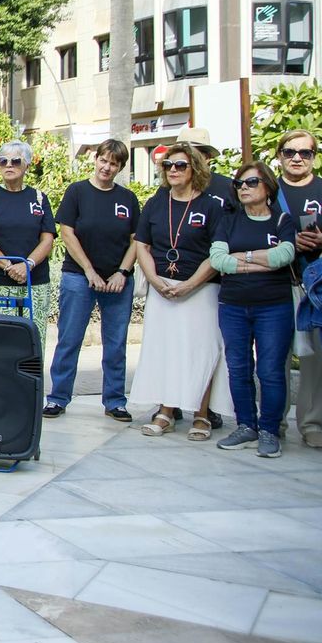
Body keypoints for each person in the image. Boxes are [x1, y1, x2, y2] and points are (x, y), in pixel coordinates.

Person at [129, 143, 233, 438]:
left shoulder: (211, 206)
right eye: (168, 165)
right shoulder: (156, 203)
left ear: (195, 169)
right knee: (166, 350)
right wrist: (154, 279)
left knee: (202, 351)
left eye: (180, 165)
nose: (173, 170)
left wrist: (191, 284)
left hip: (201, 289)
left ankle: (201, 415)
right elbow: (142, 245)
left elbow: (217, 252)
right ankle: (166, 411)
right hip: (162, 288)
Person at [45, 139, 141, 422]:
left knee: (116, 344)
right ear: (95, 159)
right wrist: (89, 271)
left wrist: (122, 272)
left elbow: (137, 240)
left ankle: (115, 401)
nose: (107, 167)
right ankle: (58, 397)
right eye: (103, 160)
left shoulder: (128, 199)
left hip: (117, 282)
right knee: (69, 339)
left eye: (114, 163)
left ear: (120, 167)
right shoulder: (77, 192)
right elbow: (67, 233)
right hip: (79, 277)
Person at [209, 160, 298, 458]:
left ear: (268, 187)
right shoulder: (229, 220)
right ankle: (246, 425)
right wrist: (262, 259)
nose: (243, 188)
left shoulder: (282, 220)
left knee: (270, 370)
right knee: (238, 368)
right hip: (233, 306)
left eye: (251, 182)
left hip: (273, 307)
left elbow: (284, 256)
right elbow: (218, 261)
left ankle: (270, 430)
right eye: (239, 184)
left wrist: (242, 257)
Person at [274, 129, 322, 448]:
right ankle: (274, 421)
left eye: (305, 152)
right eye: (290, 152)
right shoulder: (267, 189)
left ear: (314, 157)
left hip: (317, 286)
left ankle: (312, 423)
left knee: (316, 358)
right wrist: (288, 242)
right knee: (275, 356)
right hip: (277, 284)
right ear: (279, 155)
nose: (297, 158)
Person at [0, 140, 57, 342]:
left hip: (33, 283)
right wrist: (9, 266)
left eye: (15, 161)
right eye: (3, 161)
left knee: (31, 342)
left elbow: (47, 239)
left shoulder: (39, 198)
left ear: (27, 165)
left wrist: (27, 265)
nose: (9, 165)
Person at [177, 127, 237, 212]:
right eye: (181, 153)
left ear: (207, 157)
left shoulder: (227, 186)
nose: (186, 159)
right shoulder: (168, 188)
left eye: (193, 154)